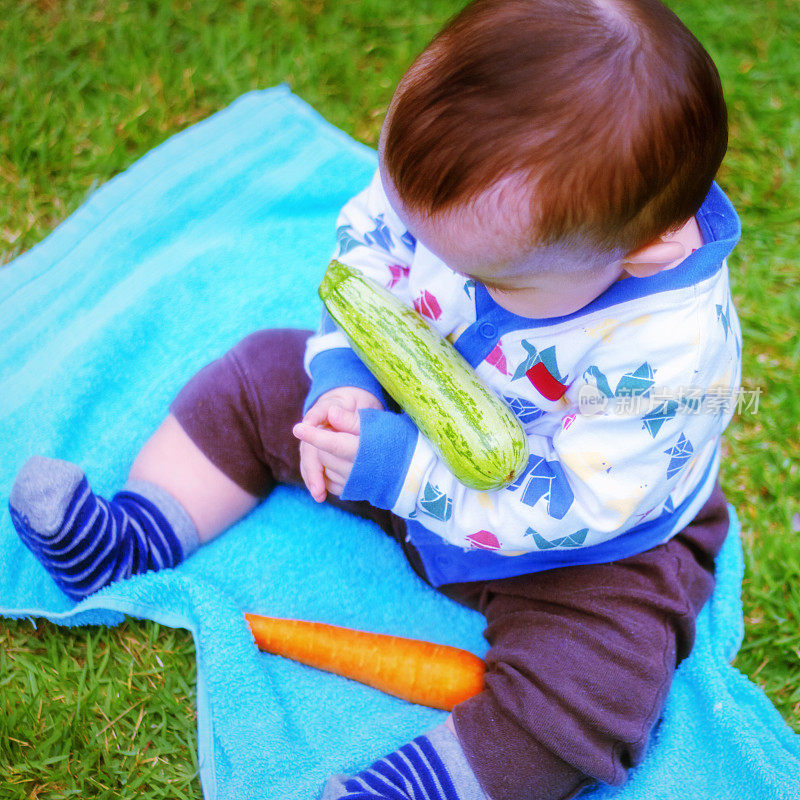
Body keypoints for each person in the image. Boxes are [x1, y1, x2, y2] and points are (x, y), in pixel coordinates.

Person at [8, 0, 743, 797]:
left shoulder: (667, 355)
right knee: (263, 373)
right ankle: (131, 536)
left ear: (649, 244)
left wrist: (401, 473)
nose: (429, 259)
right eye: (411, 218)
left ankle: (426, 783)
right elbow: (367, 259)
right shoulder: (458, 192)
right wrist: (347, 380)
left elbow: (573, 504)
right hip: (396, 428)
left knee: (600, 684)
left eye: (489, 277)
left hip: (578, 540)